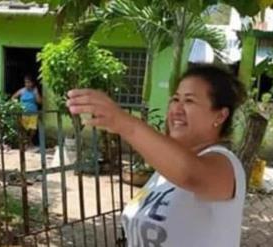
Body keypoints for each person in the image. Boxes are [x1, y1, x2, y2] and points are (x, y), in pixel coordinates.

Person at [66, 64, 247, 247]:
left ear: (220, 116)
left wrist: (124, 123)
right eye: (175, 99)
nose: (177, 109)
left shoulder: (225, 165)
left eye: (189, 101)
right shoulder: (164, 170)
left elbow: (189, 174)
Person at [12, 74, 42, 149]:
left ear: (32, 83)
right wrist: (17, 104)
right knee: (24, 128)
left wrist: (36, 93)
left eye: (29, 82)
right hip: (23, 113)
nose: (27, 84)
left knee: (33, 129)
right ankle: (28, 143)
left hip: (33, 113)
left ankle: (29, 141)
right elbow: (13, 97)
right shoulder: (22, 90)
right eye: (26, 82)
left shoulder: (35, 90)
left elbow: (40, 102)